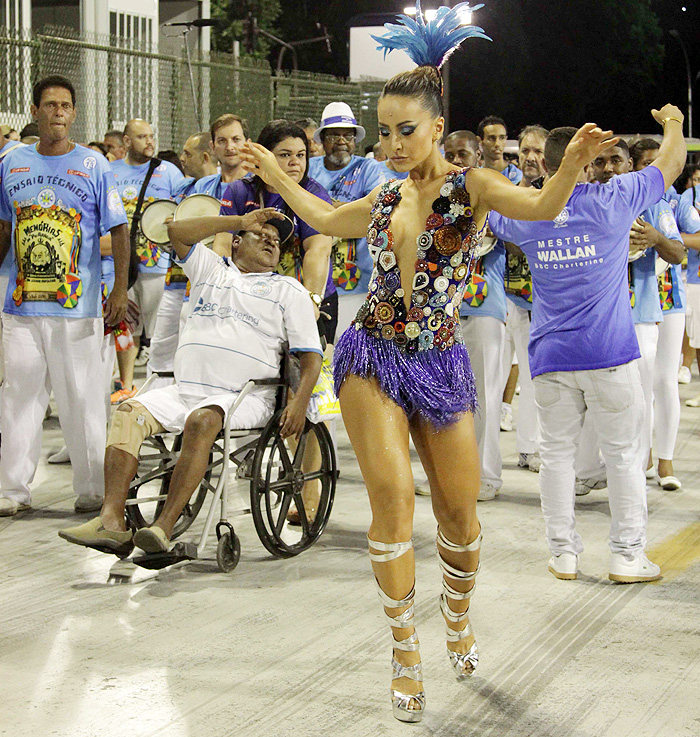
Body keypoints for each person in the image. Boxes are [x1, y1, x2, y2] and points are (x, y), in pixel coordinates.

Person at [239, 4, 618, 721]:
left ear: (438, 128)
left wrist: (568, 165)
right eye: (383, 131)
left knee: (461, 521)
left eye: (404, 130)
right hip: (371, 357)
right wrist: (275, 175)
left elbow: (537, 208)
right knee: (394, 505)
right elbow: (321, 219)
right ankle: (405, 651)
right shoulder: (381, 197)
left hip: (442, 364)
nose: (391, 143)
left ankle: (458, 616)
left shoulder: (470, 189)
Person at [488, 111, 686, 586]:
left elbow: (483, 205)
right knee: (623, 457)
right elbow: (673, 163)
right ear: (586, 161)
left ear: (548, 166)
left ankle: (562, 554)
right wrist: (675, 123)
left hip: (551, 356)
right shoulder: (614, 199)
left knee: (556, 458)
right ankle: (626, 555)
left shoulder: (526, 211)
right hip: (610, 354)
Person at [59, 211, 323, 555]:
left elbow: (311, 357)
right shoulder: (211, 269)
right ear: (237, 242)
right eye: (263, 234)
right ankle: (111, 521)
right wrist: (238, 220)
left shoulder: (289, 289)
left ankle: (162, 529)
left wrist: (299, 402)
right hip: (185, 390)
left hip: (246, 397)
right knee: (128, 412)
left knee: (201, 420)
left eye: (277, 240)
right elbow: (177, 231)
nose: (273, 240)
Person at [0, 75, 129, 516]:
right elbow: (3, 227)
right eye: (50, 104)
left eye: (66, 106)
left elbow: (120, 228)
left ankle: (92, 488)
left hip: (79, 307)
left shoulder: (94, 165)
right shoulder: (11, 162)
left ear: (74, 113)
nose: (58, 112)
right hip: (19, 306)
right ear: (34, 110)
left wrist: (120, 288)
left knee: (83, 398)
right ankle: (13, 489)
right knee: (19, 396)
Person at [218, 120, 335, 346]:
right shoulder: (240, 190)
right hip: (252, 297)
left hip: (310, 296)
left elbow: (318, 252)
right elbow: (223, 245)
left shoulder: (314, 194)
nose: (295, 162)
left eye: (301, 155)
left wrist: (311, 300)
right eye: (284, 155)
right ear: (265, 158)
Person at [110, 118, 184, 403]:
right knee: (124, 322)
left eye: (152, 136)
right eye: (142, 137)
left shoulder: (168, 172)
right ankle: (126, 384)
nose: (150, 142)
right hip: (121, 263)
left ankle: (157, 386)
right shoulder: (112, 171)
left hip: (156, 263)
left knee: (154, 328)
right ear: (127, 142)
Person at [629, 139, 685, 490]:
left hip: (670, 301)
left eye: (659, 163)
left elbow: (678, 251)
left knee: (664, 381)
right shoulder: (627, 200)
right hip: (639, 303)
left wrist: (654, 237)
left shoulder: (665, 204)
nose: (656, 171)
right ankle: (643, 457)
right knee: (641, 385)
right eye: (647, 164)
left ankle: (666, 462)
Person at [146, 131, 220, 388]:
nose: (182, 158)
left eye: (188, 154)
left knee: (195, 351)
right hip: (175, 281)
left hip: (206, 285)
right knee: (160, 347)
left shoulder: (228, 189)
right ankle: (153, 411)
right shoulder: (181, 189)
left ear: (206, 156)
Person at [308, 102, 386, 335]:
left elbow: (377, 209)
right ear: (322, 140)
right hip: (313, 278)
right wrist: (347, 208)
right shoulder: (308, 167)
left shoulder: (368, 168)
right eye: (334, 135)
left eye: (348, 135)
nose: (342, 141)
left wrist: (324, 209)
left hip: (356, 281)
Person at [501, 125, 549, 472]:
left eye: (537, 151)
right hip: (508, 297)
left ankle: (532, 446)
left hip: (545, 301)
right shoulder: (510, 191)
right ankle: (528, 447)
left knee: (537, 376)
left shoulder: (558, 192)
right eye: (525, 152)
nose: (530, 158)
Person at [676, 180, 700, 407]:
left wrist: (668, 237)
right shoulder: (690, 195)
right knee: (697, 337)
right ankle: (686, 367)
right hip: (696, 278)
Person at [477, 115, 522, 183]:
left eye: (501, 138)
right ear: (480, 141)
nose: (497, 144)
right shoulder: (475, 176)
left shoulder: (518, 176)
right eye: (491, 138)